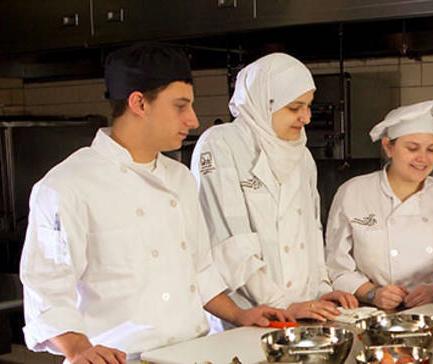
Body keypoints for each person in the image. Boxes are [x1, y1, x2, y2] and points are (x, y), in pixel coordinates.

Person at [19, 43, 287, 364]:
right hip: (121, 358)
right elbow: (47, 288)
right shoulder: (66, 185)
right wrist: (78, 349)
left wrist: (240, 314)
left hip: (192, 353)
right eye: (180, 106)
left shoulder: (180, 177)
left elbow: (199, 269)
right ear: (139, 103)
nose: (193, 120)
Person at [191, 53, 357, 326]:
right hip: (250, 315)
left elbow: (311, 232)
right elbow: (229, 241)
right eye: (294, 107)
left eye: (308, 106)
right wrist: (283, 304)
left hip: (304, 312)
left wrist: (323, 292)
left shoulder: (301, 155)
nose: (306, 117)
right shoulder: (221, 144)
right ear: (263, 103)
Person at [326, 100, 433, 310]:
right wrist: (372, 292)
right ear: (388, 147)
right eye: (412, 148)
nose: (423, 158)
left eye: (432, 149)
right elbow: (336, 264)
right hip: (373, 315)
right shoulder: (353, 193)